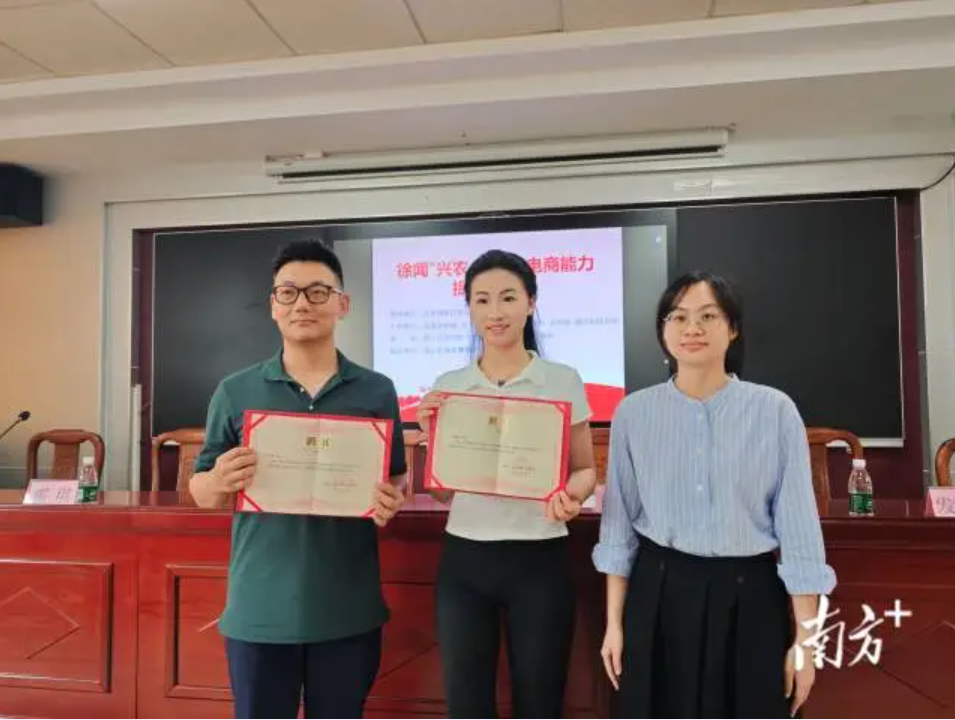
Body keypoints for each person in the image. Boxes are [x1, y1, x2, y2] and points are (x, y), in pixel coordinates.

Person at [593, 270, 836, 718]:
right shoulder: (633, 413)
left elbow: (800, 537)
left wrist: (806, 642)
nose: (692, 328)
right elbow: (618, 531)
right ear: (663, 329)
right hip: (659, 594)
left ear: (733, 328)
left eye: (708, 316)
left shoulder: (774, 411)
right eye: (678, 316)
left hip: (750, 598)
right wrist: (614, 623)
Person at [189, 240, 407, 719]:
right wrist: (219, 479)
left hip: (347, 611)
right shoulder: (235, 390)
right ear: (273, 305)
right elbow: (202, 491)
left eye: (317, 291)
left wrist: (392, 499)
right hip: (259, 611)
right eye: (287, 292)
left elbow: (395, 479)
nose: (302, 304)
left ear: (342, 304)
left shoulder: (377, 390)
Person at [416, 249, 598, 718]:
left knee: (540, 701)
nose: (495, 312)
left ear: (531, 303)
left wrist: (572, 496)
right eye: (481, 300)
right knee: (467, 704)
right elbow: (441, 491)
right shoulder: (449, 387)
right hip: (466, 559)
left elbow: (585, 469)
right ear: (469, 309)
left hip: (540, 557)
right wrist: (432, 438)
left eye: (508, 298)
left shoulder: (561, 380)